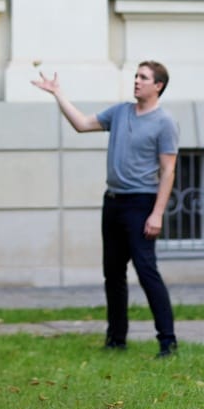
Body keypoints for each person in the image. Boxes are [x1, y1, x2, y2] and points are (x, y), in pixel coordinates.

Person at [33, 61, 179, 358]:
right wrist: (58, 93)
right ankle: (116, 339)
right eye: (136, 76)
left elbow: (168, 171)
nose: (137, 81)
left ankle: (167, 341)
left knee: (147, 271)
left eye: (143, 78)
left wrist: (157, 213)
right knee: (112, 274)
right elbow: (82, 124)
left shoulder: (164, 122)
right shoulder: (121, 111)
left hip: (141, 203)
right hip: (113, 202)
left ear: (158, 86)